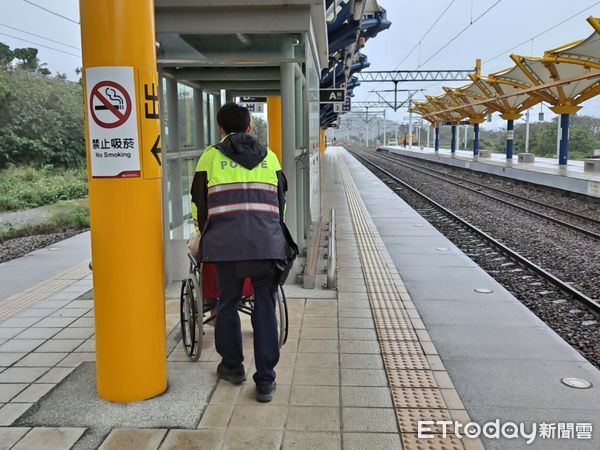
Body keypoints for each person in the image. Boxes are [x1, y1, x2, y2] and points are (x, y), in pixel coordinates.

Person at [190, 102, 292, 402]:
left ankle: (233, 367)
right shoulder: (270, 157)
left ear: (221, 129)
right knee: (264, 306)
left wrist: (206, 233)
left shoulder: (210, 157)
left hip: (226, 248)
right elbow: (280, 204)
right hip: (267, 246)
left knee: (228, 302)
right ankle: (265, 380)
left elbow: (199, 206)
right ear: (250, 127)